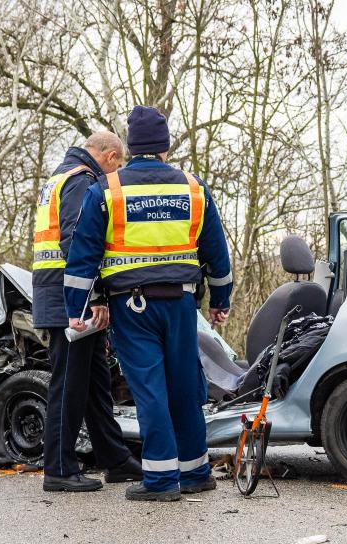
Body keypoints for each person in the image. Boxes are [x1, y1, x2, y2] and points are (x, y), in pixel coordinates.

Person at [64, 106, 232, 501]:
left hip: (132, 308)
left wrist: (76, 307)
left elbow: (83, 255)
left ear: (131, 146)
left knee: (150, 389)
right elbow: (217, 253)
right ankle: (195, 471)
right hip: (181, 305)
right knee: (185, 385)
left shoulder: (107, 189)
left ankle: (159, 480)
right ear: (166, 147)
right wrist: (220, 301)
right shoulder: (193, 187)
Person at [32, 132, 142, 492]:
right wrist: (93, 296)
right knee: (69, 385)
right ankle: (59, 468)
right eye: (119, 164)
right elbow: (78, 241)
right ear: (110, 157)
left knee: (95, 382)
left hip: (62, 296)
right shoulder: (82, 180)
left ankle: (115, 459)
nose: (118, 172)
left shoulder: (61, 176)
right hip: (71, 300)